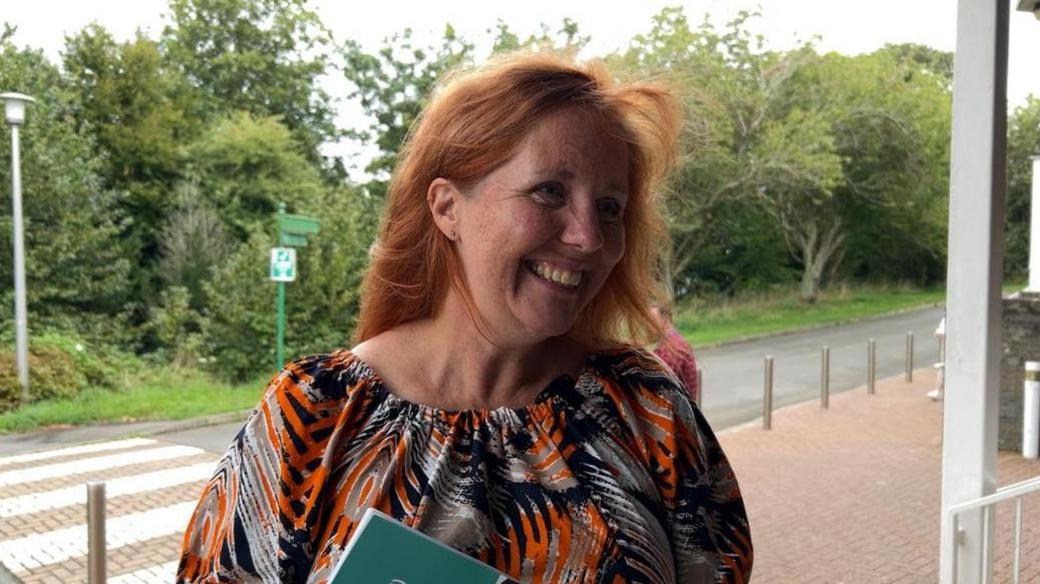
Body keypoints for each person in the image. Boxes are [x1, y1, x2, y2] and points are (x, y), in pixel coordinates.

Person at [177, 52, 752, 584]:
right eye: (550, 191)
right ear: (448, 207)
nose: (588, 237)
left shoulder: (645, 407)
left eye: (609, 207)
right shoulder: (315, 416)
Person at [652, 305, 701, 405]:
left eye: (651, 320)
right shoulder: (673, 341)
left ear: (665, 319)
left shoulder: (671, 348)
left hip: (679, 415)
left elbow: (655, 383)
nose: (647, 325)